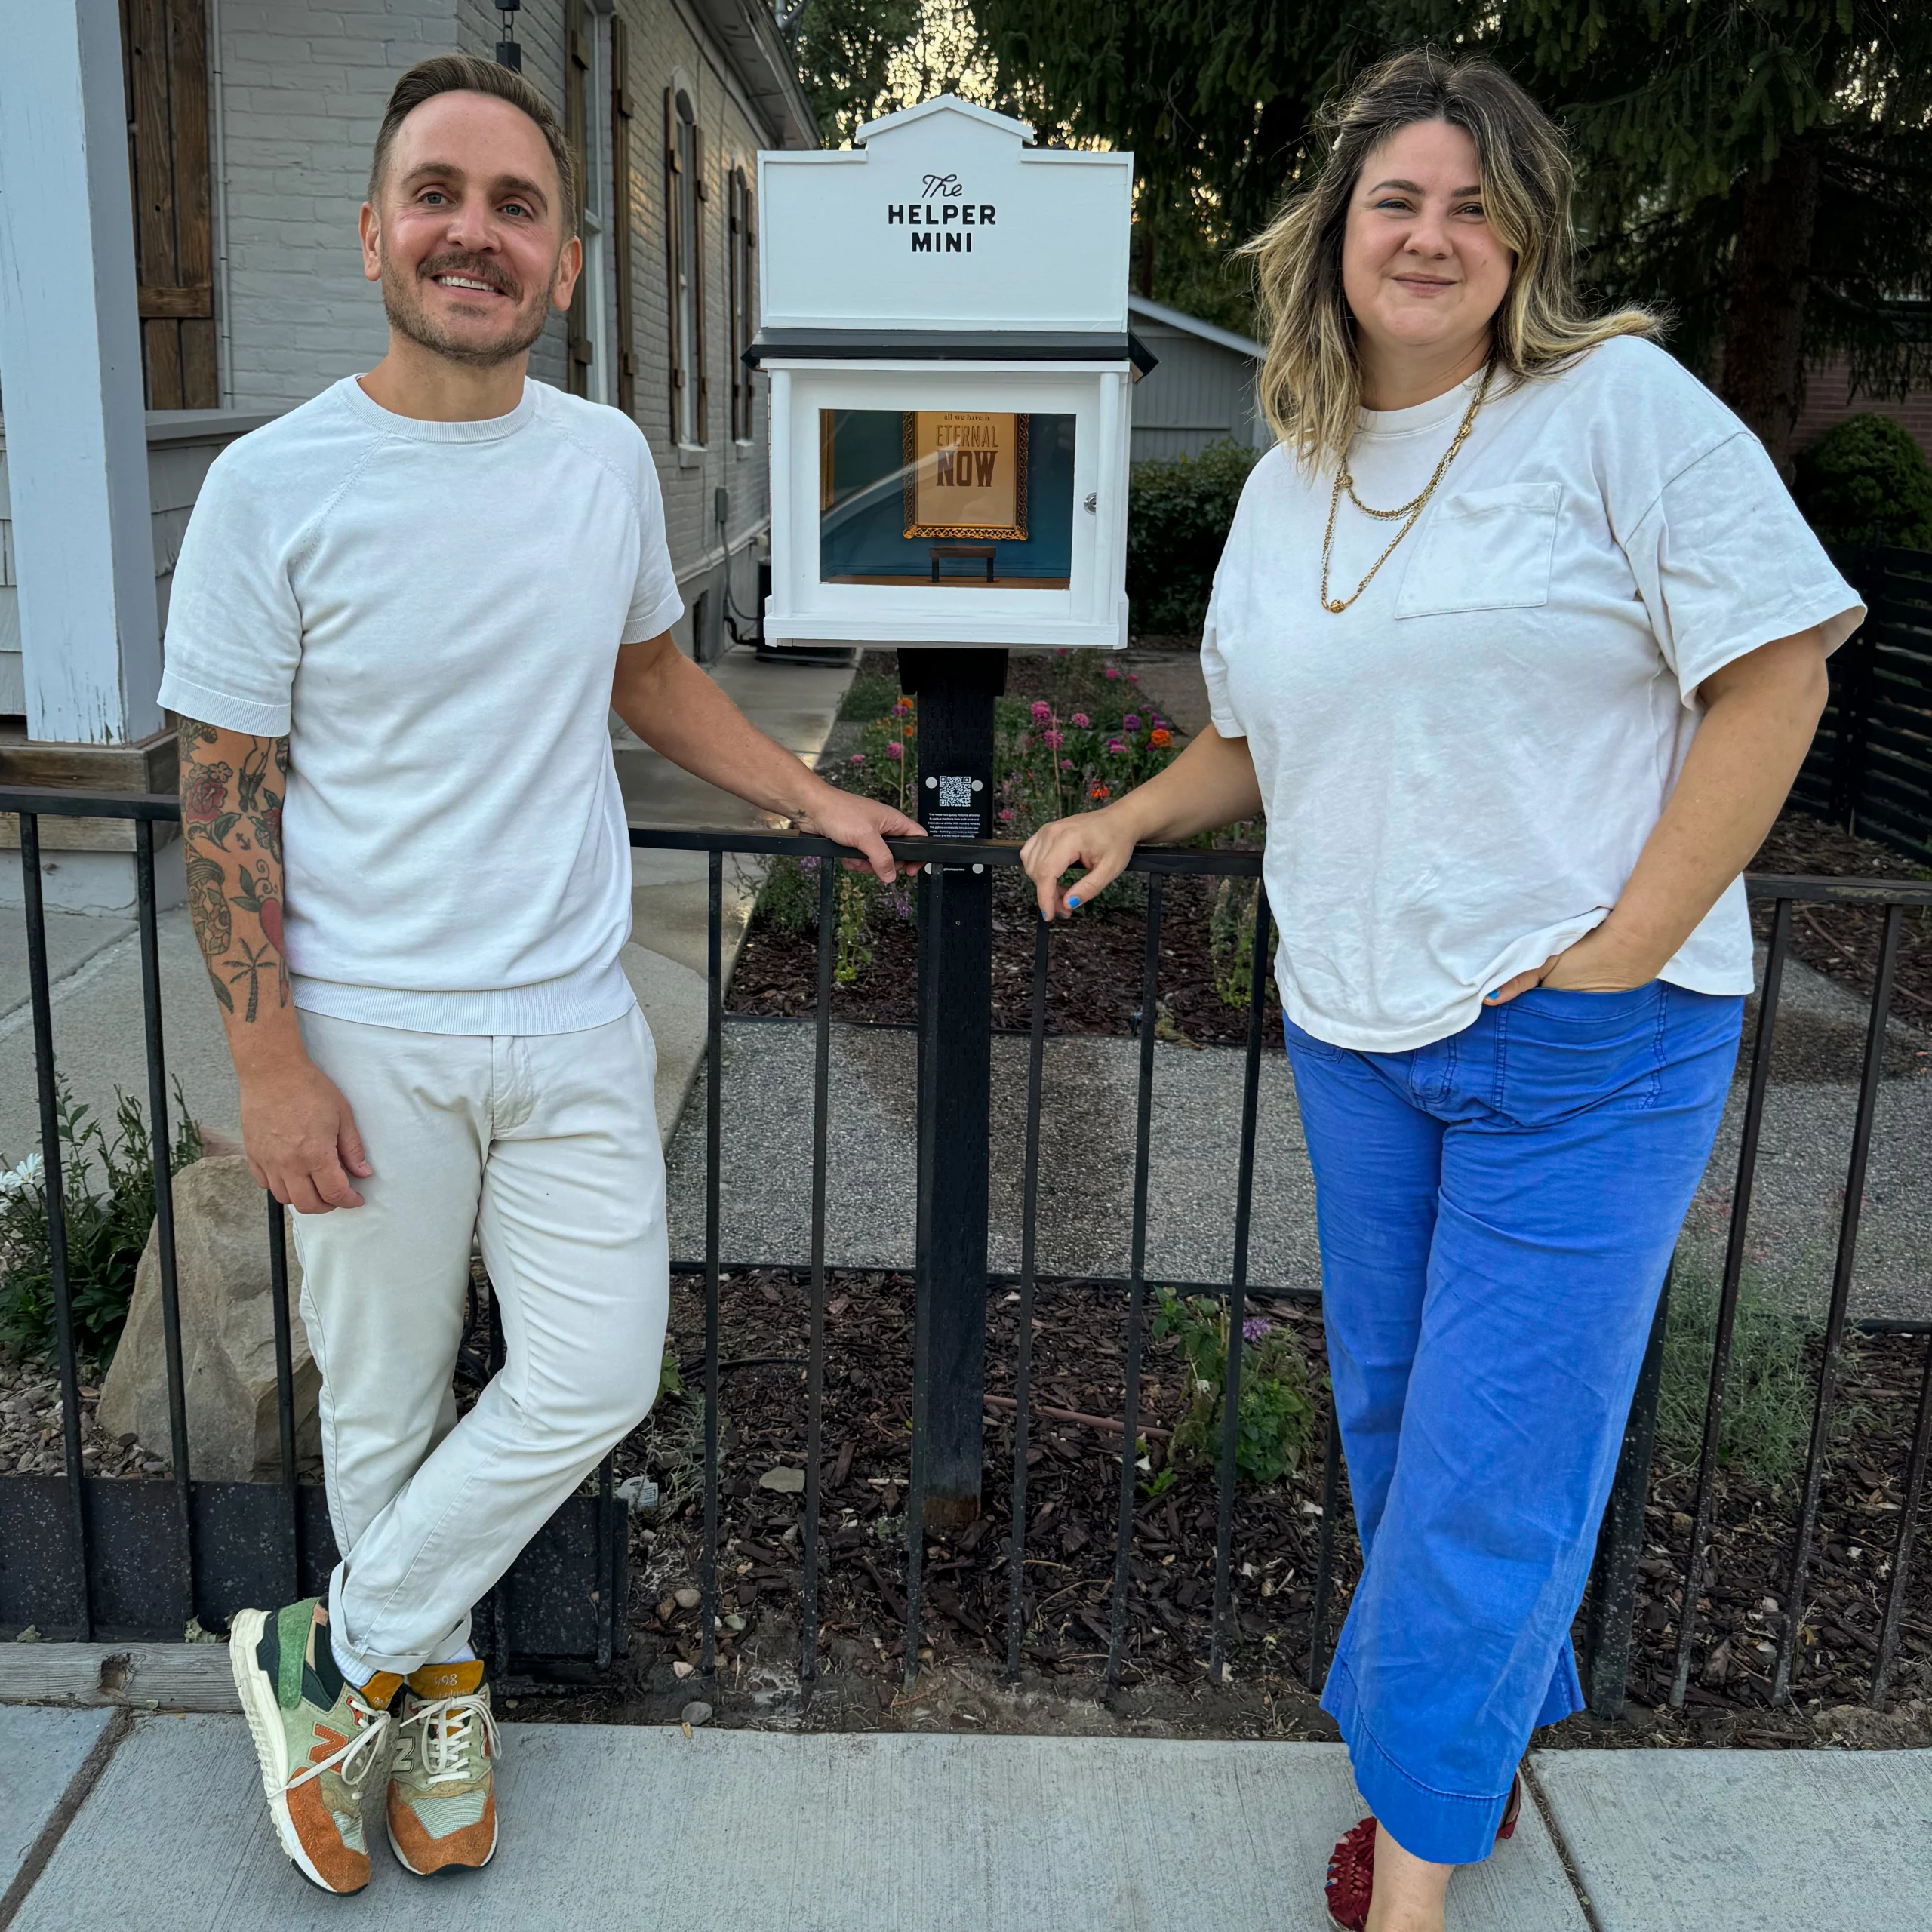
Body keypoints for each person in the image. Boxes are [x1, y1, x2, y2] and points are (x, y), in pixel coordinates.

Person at [1021, 47, 1860, 1932]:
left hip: (1589, 1044)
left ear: (1523, 242)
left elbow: (1778, 672)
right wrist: (1130, 812)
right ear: (1332, 237)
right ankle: (1458, 1766)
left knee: (1493, 1469)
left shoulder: (1613, 411)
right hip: (1354, 1033)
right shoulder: (1286, 483)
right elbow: (1256, 735)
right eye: (1396, 200)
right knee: (1411, 1433)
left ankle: (1404, 1888)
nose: (1431, 233)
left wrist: (1617, 950)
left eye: (1473, 205)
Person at [162, 54, 919, 1896]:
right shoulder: (272, 488)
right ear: (371, 235)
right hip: (366, 1026)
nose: (471, 234)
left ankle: (323, 1648)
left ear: (566, 262)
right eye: (438, 195)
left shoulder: (600, 460)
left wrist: (807, 787)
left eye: (513, 207)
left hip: (572, 1016)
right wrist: (269, 1066)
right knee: (384, 1401)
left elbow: (649, 679)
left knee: (591, 1372)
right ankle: (426, 1705)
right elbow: (221, 792)